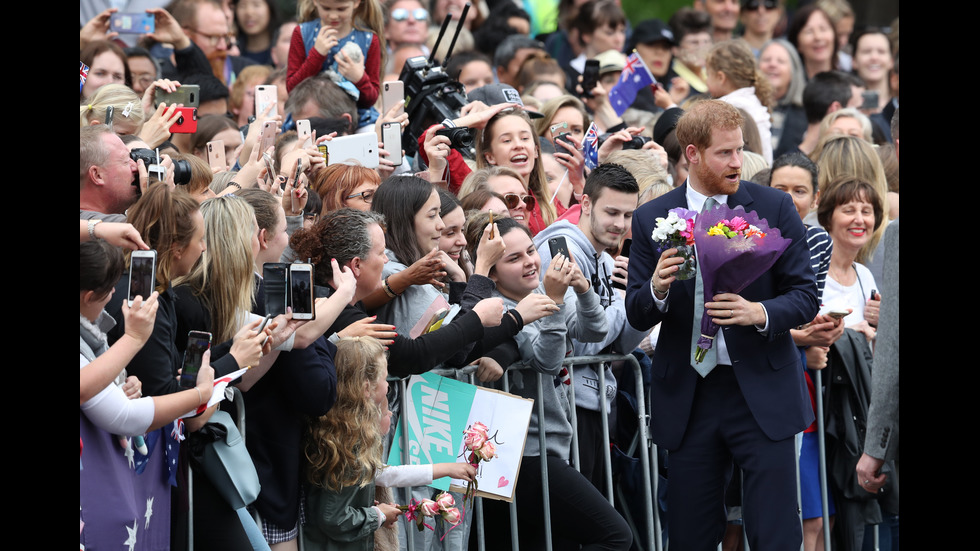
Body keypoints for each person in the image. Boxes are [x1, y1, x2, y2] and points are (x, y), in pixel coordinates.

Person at [625, 100, 819, 550]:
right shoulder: (652, 217)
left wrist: (761, 313)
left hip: (761, 391)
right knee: (690, 533)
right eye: (725, 153)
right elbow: (636, 312)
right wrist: (655, 287)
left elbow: (805, 296)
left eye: (740, 150)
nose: (737, 162)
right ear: (692, 154)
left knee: (775, 532)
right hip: (690, 396)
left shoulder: (773, 206)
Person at [470, 215, 631, 550]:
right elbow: (548, 360)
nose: (530, 261)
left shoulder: (543, 290)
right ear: (492, 271)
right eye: (514, 258)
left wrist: (583, 288)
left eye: (531, 250)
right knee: (615, 536)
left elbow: (596, 331)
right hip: (524, 455)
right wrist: (556, 302)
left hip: (550, 449)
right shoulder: (499, 311)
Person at [79, 239, 215, 551]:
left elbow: (108, 392)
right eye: (110, 289)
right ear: (88, 296)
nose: (116, 294)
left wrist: (124, 387)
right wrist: (200, 392)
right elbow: (122, 415)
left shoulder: (92, 333)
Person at [533, 163, 648, 493]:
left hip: (595, 404)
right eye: (611, 212)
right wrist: (619, 303)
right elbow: (584, 339)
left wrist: (649, 298)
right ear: (585, 204)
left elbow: (622, 345)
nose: (619, 224)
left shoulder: (607, 260)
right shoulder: (559, 247)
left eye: (628, 216)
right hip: (564, 406)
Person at [303, 336, 477, 550]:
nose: (388, 385)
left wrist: (446, 469)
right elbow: (333, 518)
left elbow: (382, 474)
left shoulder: (342, 432)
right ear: (367, 388)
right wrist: (376, 515)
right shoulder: (347, 444)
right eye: (385, 379)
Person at [287, 0, 386, 129]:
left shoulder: (369, 40)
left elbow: (370, 99)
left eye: (341, 9)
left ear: (356, 3)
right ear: (315, 2)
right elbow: (292, 89)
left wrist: (359, 78)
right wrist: (317, 55)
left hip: (357, 119)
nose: (333, 16)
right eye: (326, 8)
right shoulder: (302, 33)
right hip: (309, 118)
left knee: (373, 139)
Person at [705, 39, 774, 163]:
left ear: (721, 77)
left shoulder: (726, 108)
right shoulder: (753, 100)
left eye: (708, 74)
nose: (706, 80)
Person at [788, 4, 839, 80]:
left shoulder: (850, 85)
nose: (818, 37)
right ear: (797, 43)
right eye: (809, 31)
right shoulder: (789, 87)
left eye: (823, 29)